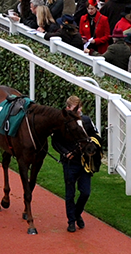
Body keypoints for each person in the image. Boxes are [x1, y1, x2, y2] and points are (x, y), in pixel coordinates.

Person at [54, 96, 97, 232]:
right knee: (70, 193)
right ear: (68, 108)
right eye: (76, 108)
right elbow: (55, 142)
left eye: (80, 108)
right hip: (70, 162)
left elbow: (96, 136)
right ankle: (71, 221)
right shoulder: (61, 124)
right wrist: (65, 153)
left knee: (85, 192)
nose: (79, 111)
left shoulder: (86, 121)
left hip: (84, 162)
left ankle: (77, 213)